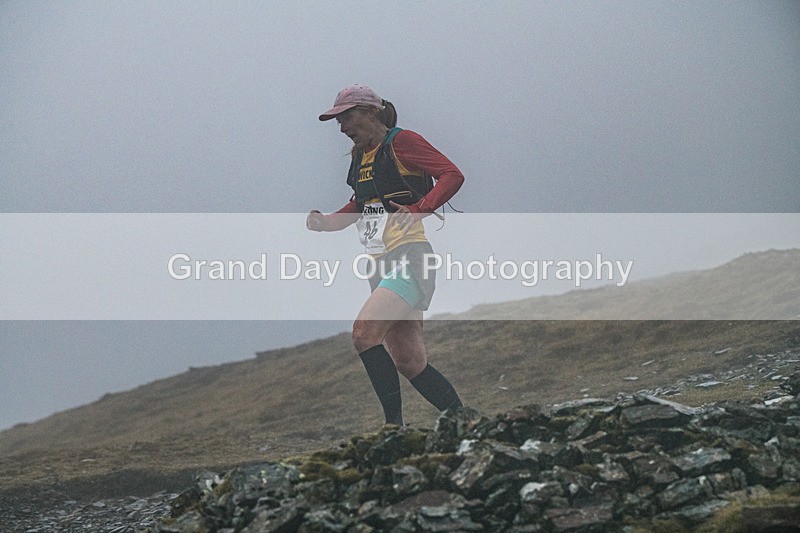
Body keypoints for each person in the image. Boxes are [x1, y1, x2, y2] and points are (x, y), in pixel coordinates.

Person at [307, 84, 464, 426]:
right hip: (379, 264)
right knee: (409, 362)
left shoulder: (401, 142)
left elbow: (452, 174)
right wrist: (326, 223)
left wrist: (422, 208)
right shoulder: (359, 157)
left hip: (410, 258)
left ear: (371, 113)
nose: (342, 127)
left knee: (363, 334)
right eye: (337, 121)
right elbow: (360, 206)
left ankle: (394, 429)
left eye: (347, 117)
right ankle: (468, 422)